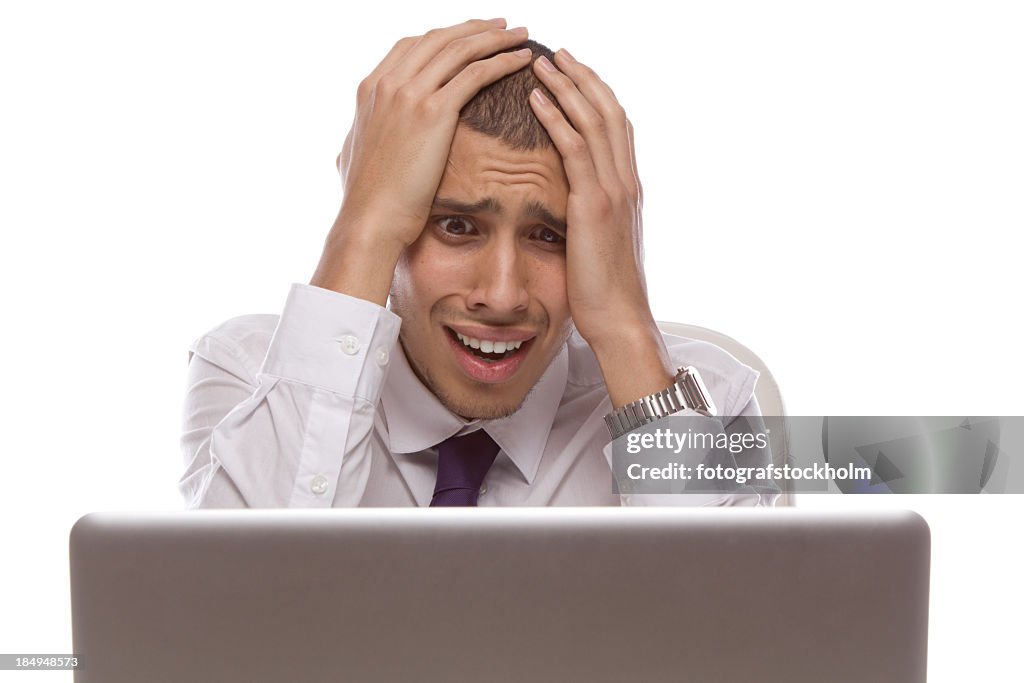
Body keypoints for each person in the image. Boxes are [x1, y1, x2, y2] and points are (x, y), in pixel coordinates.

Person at [179, 18, 778, 508]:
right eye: (457, 226)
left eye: (549, 236)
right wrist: (362, 229)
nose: (502, 294)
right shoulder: (247, 374)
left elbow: (730, 637)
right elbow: (232, 616)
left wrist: (624, 325)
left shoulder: (713, 402)